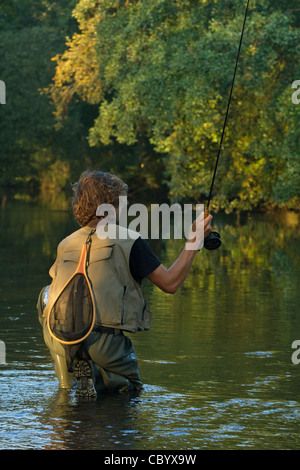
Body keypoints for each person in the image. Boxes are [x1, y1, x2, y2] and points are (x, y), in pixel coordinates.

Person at [37, 170, 212, 397]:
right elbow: (170, 283)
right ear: (111, 205)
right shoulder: (130, 241)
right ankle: (104, 371)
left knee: (45, 295)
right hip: (104, 344)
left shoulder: (65, 244)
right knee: (128, 394)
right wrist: (194, 240)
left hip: (59, 340)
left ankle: (69, 377)